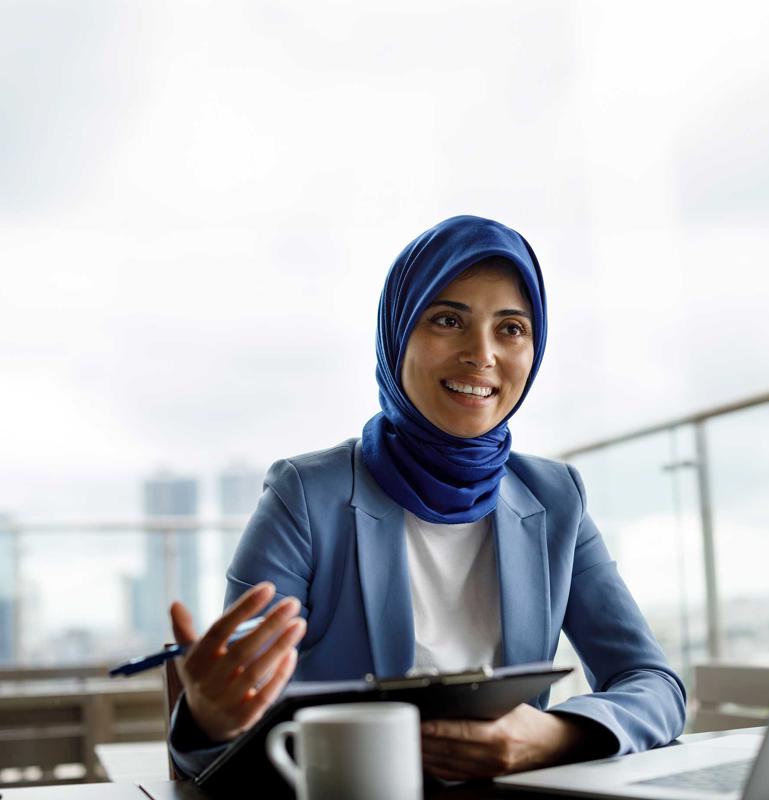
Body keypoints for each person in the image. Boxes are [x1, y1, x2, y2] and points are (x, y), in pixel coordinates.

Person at [168, 215, 686, 782]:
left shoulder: (556, 498)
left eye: (511, 328)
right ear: (397, 334)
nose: (482, 354)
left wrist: (553, 735)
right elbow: (227, 736)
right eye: (447, 320)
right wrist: (210, 720)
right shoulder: (305, 497)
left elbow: (654, 685)